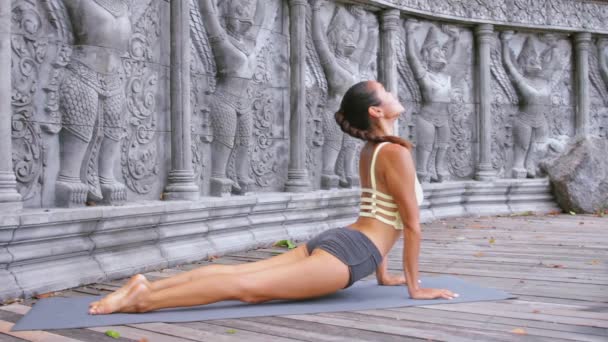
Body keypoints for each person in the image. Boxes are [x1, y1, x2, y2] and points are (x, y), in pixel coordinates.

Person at [88, 81, 458, 315]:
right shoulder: (395, 152)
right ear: (376, 111)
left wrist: (384, 275)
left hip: (343, 241)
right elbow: (408, 223)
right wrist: (415, 287)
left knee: (240, 274)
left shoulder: (373, 150)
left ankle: (146, 286)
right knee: (247, 289)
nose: (395, 94)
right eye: (387, 93)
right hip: (351, 252)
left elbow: (380, 212)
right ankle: (140, 300)